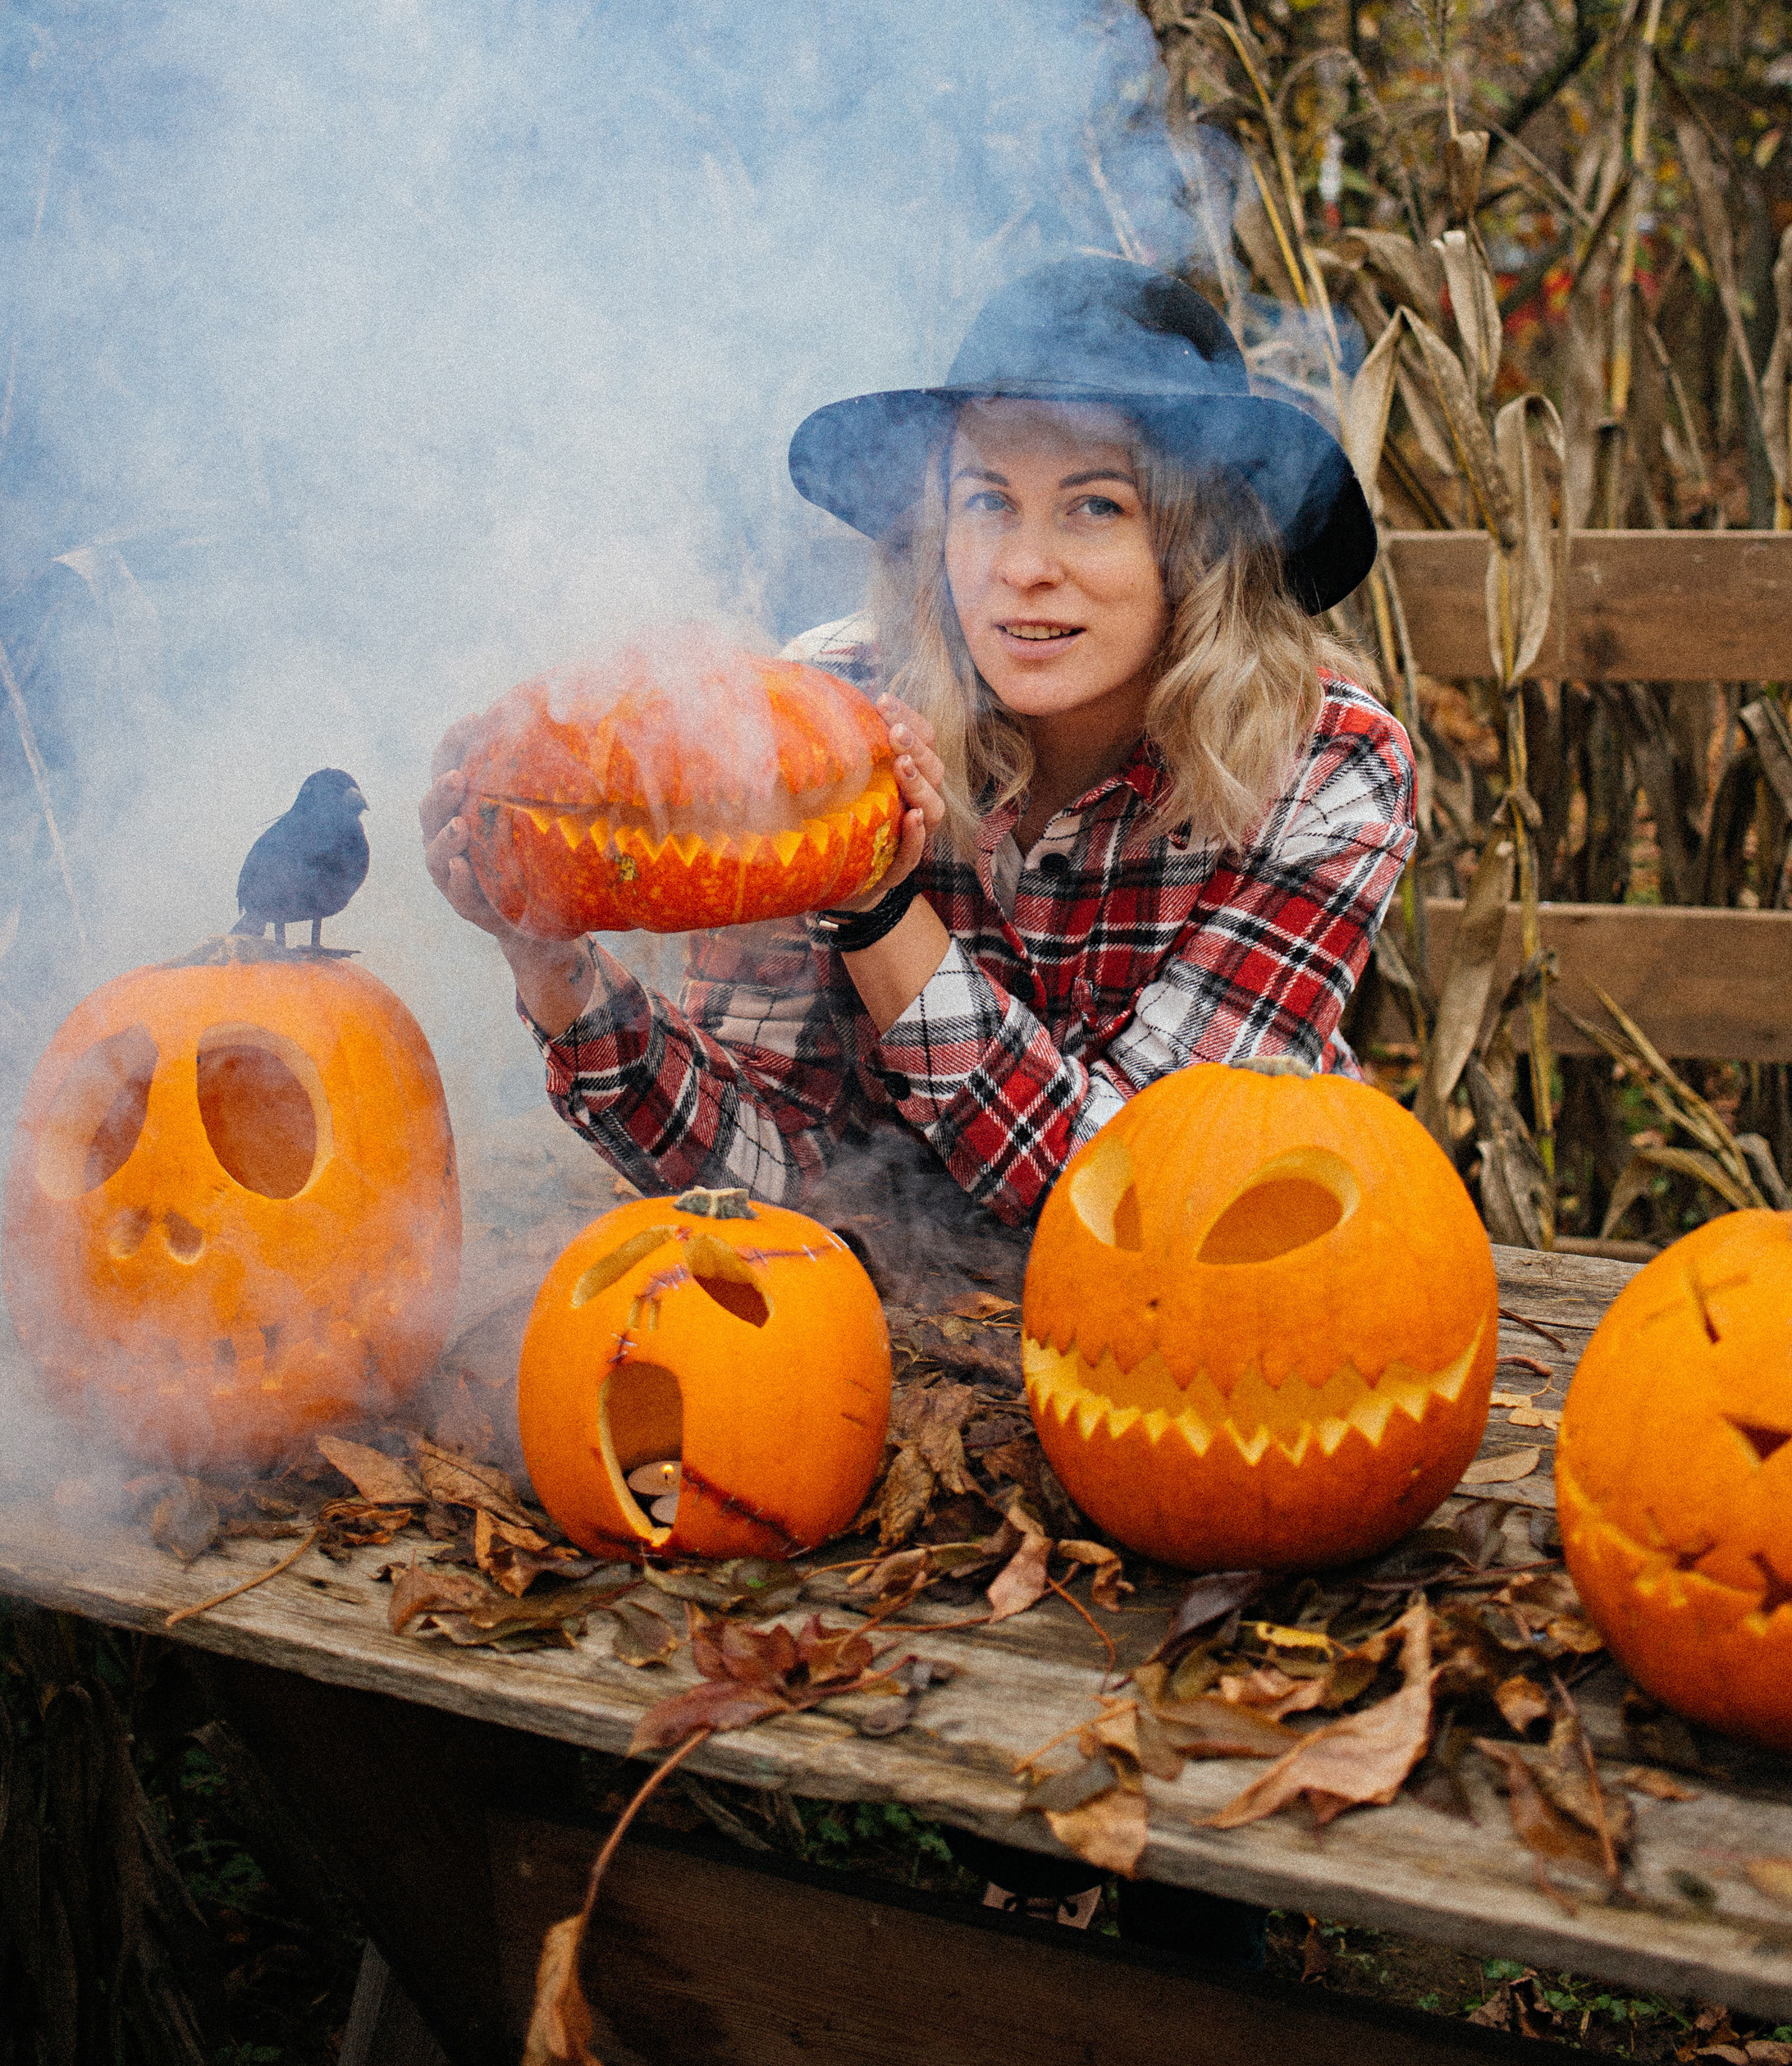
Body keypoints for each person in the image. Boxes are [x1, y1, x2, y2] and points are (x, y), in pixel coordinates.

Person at [421, 256, 1418, 1962]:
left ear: (1203, 541)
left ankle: (1188, 1956)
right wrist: (561, 983)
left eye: (1095, 508)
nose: (1023, 568)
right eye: (986, 505)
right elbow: (772, 1172)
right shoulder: (823, 728)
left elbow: (1137, 1207)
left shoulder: (1326, 766)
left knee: (1162, 1865)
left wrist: (886, 915)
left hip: (1220, 1360)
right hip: (886, 1338)